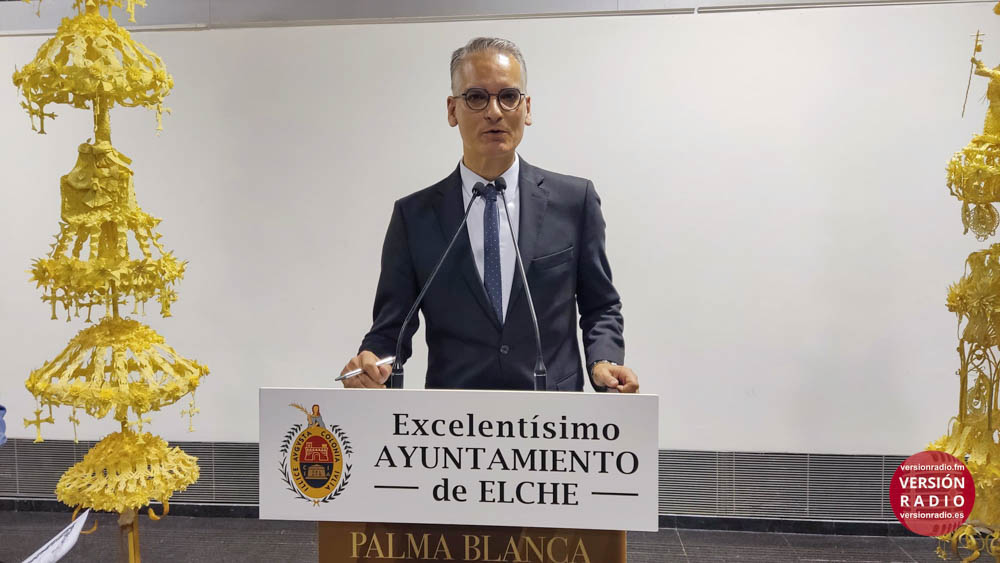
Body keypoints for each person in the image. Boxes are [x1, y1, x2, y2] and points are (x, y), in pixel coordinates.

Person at [340, 37, 638, 393]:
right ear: (452, 110)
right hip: (453, 419)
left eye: (508, 96)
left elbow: (601, 305)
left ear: (527, 108)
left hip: (554, 415)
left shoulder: (575, 201)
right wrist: (371, 362)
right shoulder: (414, 216)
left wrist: (604, 361)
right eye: (476, 97)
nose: (494, 112)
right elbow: (391, 329)